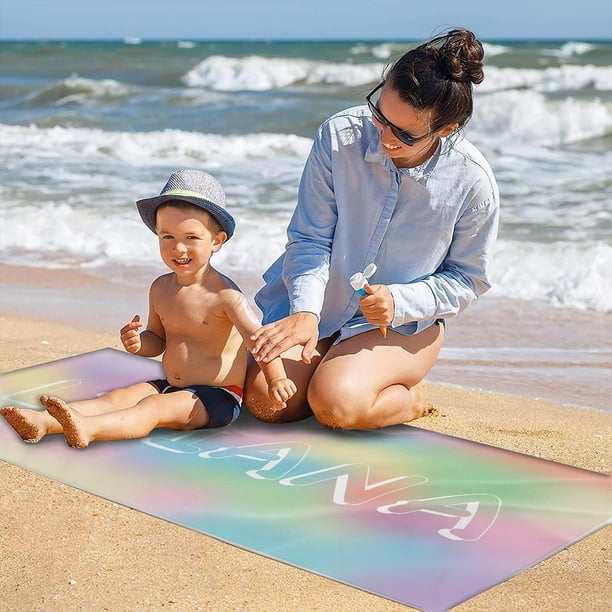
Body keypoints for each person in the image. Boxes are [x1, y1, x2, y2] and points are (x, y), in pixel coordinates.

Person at [245, 29, 499, 430]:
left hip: (396, 323)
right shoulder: (338, 136)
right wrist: (306, 311)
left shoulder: (472, 182)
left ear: (446, 129)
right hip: (321, 304)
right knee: (267, 403)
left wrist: (399, 301)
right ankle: (334, 372)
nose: (383, 138)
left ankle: (408, 398)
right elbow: (310, 238)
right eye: (380, 115)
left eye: (402, 133)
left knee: (337, 406)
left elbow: (468, 279)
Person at [1, 169, 296, 448]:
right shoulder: (161, 288)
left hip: (215, 397)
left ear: (217, 241)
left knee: (153, 408)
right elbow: (158, 339)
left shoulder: (226, 296)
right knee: (117, 398)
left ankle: (89, 429)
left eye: (191, 238)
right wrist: (139, 343)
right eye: (168, 237)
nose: (178, 248)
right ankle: (41, 422)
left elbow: (260, 342)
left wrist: (277, 378)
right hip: (168, 384)